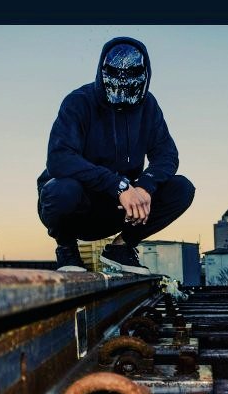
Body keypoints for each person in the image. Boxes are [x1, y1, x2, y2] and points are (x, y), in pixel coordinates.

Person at [37, 37, 195, 274]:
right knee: (62, 190)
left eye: (131, 81)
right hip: (77, 207)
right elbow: (59, 158)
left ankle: (121, 248)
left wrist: (144, 187)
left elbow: (167, 155)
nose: (122, 88)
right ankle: (67, 249)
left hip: (119, 209)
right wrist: (118, 185)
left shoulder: (148, 106)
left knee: (182, 188)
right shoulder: (78, 102)